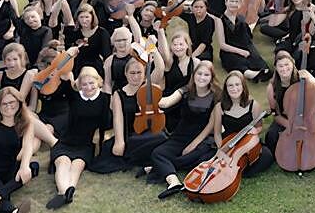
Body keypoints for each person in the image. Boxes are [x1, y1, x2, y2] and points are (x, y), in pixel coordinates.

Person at [151, 61, 222, 197]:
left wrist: (193, 145)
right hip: (180, 136)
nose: (202, 77)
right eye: (199, 74)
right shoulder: (185, 90)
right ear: (194, 75)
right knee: (157, 153)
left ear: (211, 77)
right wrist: (151, 94)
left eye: (206, 75)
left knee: (192, 159)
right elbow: (166, 102)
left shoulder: (217, 96)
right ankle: (174, 182)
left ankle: (160, 167)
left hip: (202, 138)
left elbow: (210, 126)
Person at [89, 56, 168, 177]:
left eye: (139, 72)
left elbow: (160, 67)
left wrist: (153, 49)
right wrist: (119, 141)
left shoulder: (148, 87)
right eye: (132, 73)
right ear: (126, 74)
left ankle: (145, 160)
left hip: (150, 132)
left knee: (161, 137)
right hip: (130, 135)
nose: (136, 76)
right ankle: (145, 160)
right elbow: (118, 119)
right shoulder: (118, 94)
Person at [47, 67, 111, 209]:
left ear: (98, 81)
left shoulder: (104, 99)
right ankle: (63, 192)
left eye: (91, 83)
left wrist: (100, 147)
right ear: (79, 85)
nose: (88, 87)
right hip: (67, 140)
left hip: (86, 144)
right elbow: (63, 79)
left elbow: (104, 124)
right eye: (84, 84)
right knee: (62, 162)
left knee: (77, 166)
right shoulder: (74, 96)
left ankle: (69, 190)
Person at [264, 49, 315, 160]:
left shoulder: (302, 76)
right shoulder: (272, 87)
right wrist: (289, 125)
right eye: (280, 66)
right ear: (276, 68)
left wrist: (311, 78)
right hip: (286, 119)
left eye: (287, 64)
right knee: (272, 136)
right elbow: (276, 114)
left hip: (307, 115)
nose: (284, 68)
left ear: (293, 63)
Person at [210, 71, 274, 180]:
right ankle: (235, 168)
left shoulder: (253, 105)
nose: (234, 88)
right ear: (226, 88)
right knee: (211, 156)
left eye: (237, 84)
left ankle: (238, 172)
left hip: (248, 142)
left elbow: (259, 126)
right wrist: (222, 149)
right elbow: (217, 133)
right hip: (229, 141)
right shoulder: (219, 107)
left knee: (267, 156)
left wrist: (256, 131)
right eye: (230, 85)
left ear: (243, 86)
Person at [217, 0, 271, 82]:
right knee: (238, 62)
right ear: (226, 2)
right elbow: (222, 45)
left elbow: (248, 39)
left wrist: (252, 52)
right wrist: (241, 52)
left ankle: (257, 72)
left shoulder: (241, 19)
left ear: (240, 4)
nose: (234, 4)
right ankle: (248, 74)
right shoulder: (219, 20)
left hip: (243, 46)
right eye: (231, 1)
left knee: (260, 64)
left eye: (236, 2)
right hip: (229, 51)